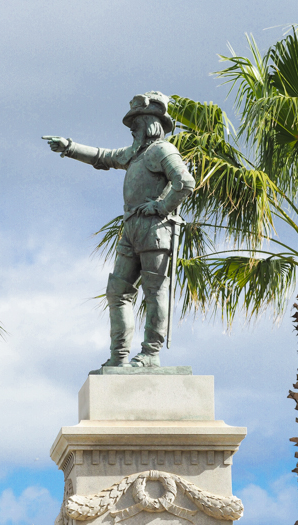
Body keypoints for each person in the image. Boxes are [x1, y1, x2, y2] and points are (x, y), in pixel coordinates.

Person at [43, 91, 195, 367]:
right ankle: (120, 355)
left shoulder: (162, 150)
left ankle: (150, 353)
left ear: (149, 122)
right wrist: (69, 147)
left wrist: (162, 207)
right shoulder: (135, 155)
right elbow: (103, 156)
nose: (132, 129)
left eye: (136, 123)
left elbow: (184, 182)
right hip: (132, 230)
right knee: (117, 291)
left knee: (154, 290)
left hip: (155, 229)